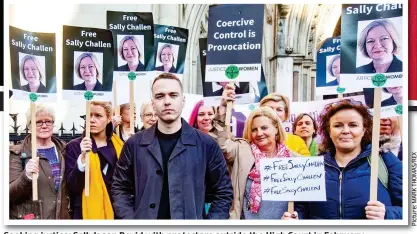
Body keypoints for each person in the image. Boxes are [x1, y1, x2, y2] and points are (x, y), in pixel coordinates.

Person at [111, 73, 233, 219]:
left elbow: (223, 192)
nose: (167, 101)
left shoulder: (206, 145)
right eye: (160, 96)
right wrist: (132, 222)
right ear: (153, 103)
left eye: (173, 95)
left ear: (183, 100)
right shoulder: (134, 145)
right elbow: (119, 188)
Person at [282, 99, 402, 220]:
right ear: (329, 131)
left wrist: (387, 214)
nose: (345, 131)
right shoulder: (313, 166)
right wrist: (296, 218)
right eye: (338, 125)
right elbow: (302, 208)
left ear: (364, 130)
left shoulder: (385, 161)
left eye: (353, 125)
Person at [208, 87, 302, 219]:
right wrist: (223, 108)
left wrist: (297, 218)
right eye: (254, 129)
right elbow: (220, 141)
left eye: (264, 128)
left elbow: (304, 204)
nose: (259, 133)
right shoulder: (241, 150)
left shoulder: (295, 160)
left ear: (276, 128)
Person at [65, 101, 124, 219]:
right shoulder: (75, 146)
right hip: (85, 212)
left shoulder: (119, 145)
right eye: (89, 115)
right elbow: (72, 186)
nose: (92, 120)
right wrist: (82, 159)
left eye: (98, 116)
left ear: (108, 119)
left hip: (116, 210)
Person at [9, 104, 70, 219]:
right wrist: (26, 176)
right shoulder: (18, 153)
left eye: (48, 121)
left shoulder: (64, 150)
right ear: (29, 126)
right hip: (34, 220)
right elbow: (9, 194)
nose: (44, 126)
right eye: (38, 122)